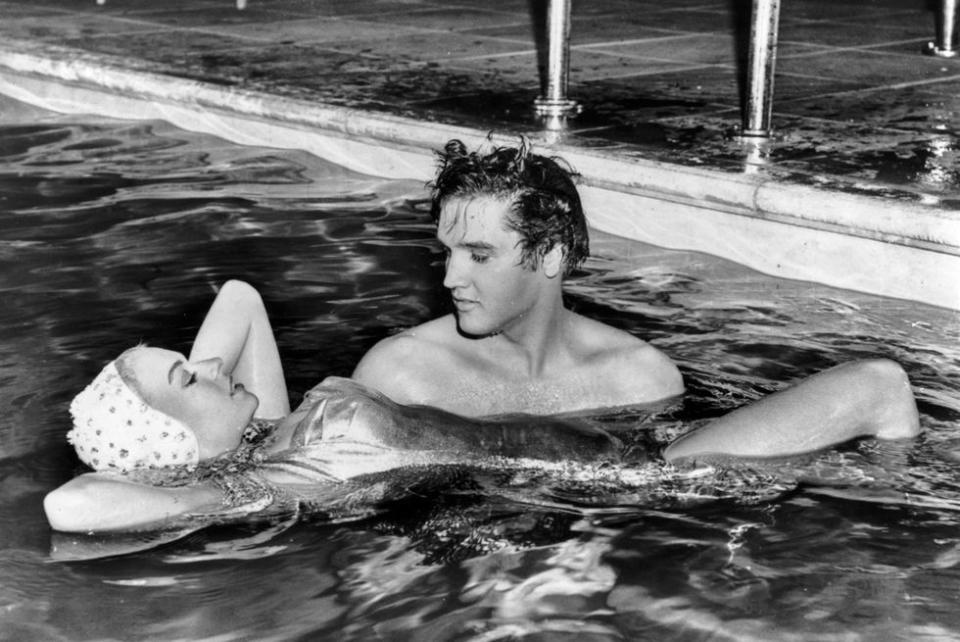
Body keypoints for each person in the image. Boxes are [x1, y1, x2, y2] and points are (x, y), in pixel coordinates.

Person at [351, 138, 921, 456]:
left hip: (615, 538)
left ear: (549, 256)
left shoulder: (640, 376)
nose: (450, 278)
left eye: (478, 255)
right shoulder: (402, 374)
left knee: (880, 383)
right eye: (445, 253)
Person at [44, 280, 624, 534]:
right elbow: (71, 507)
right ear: (178, 440)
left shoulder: (264, 431)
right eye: (187, 376)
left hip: (587, 442)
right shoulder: (260, 485)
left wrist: (204, 395)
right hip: (615, 481)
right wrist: (188, 486)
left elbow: (239, 299)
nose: (210, 363)